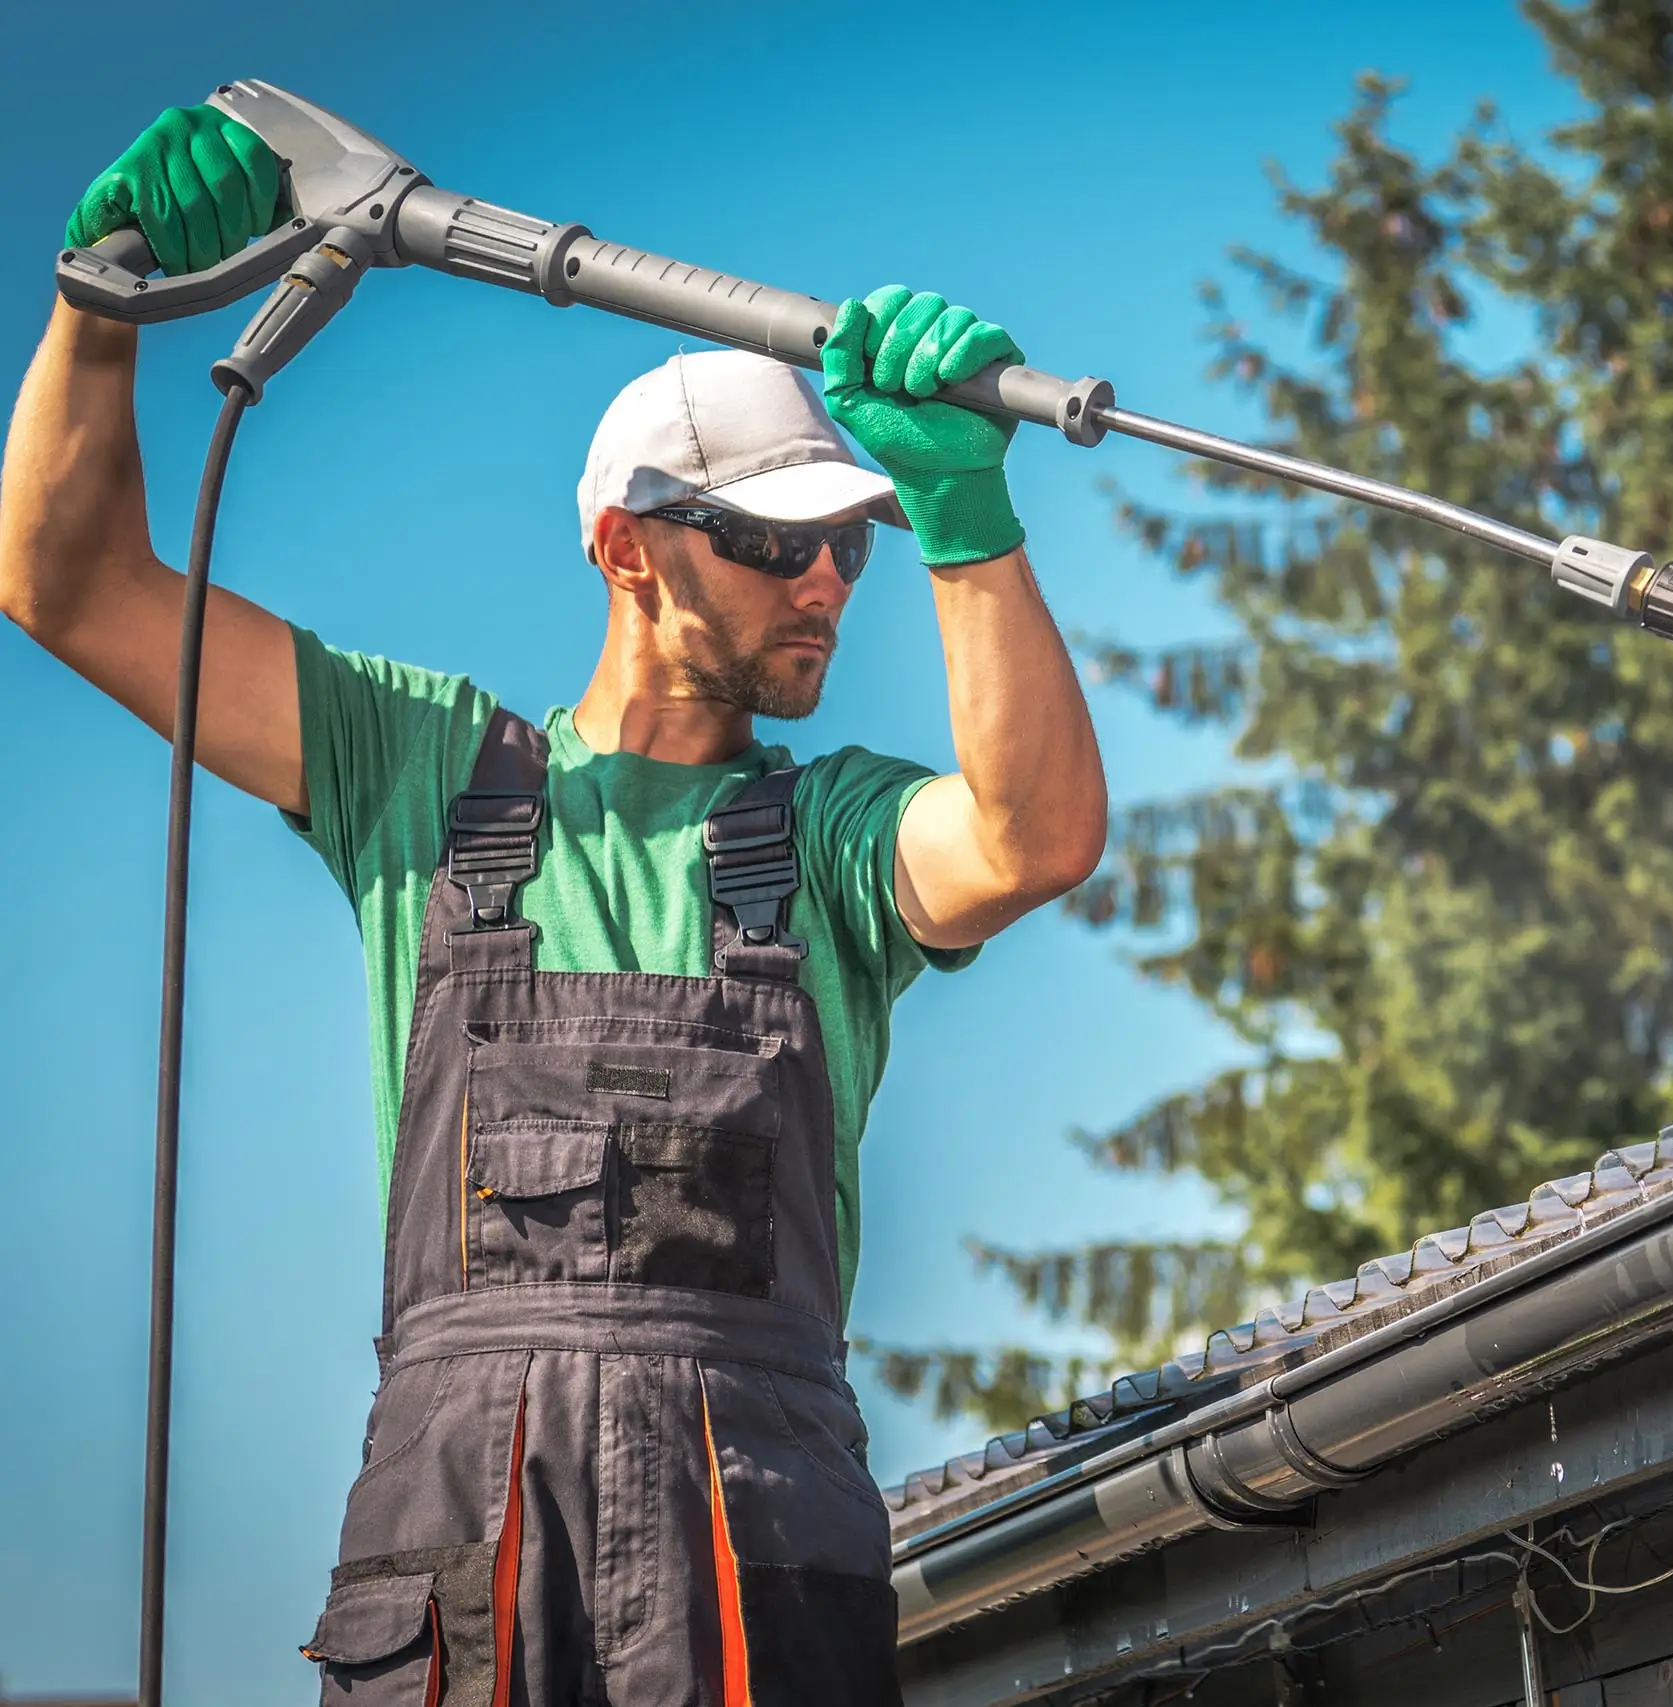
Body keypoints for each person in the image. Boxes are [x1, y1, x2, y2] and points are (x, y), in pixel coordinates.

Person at [0, 105, 1108, 1704]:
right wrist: (97, 314)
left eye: (847, 551)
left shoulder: (837, 836)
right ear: (625, 546)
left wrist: (964, 522)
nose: (824, 587)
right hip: (470, 1521)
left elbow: (1031, 835)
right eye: (769, 542)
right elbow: (72, 581)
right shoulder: (420, 768)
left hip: (758, 1521)